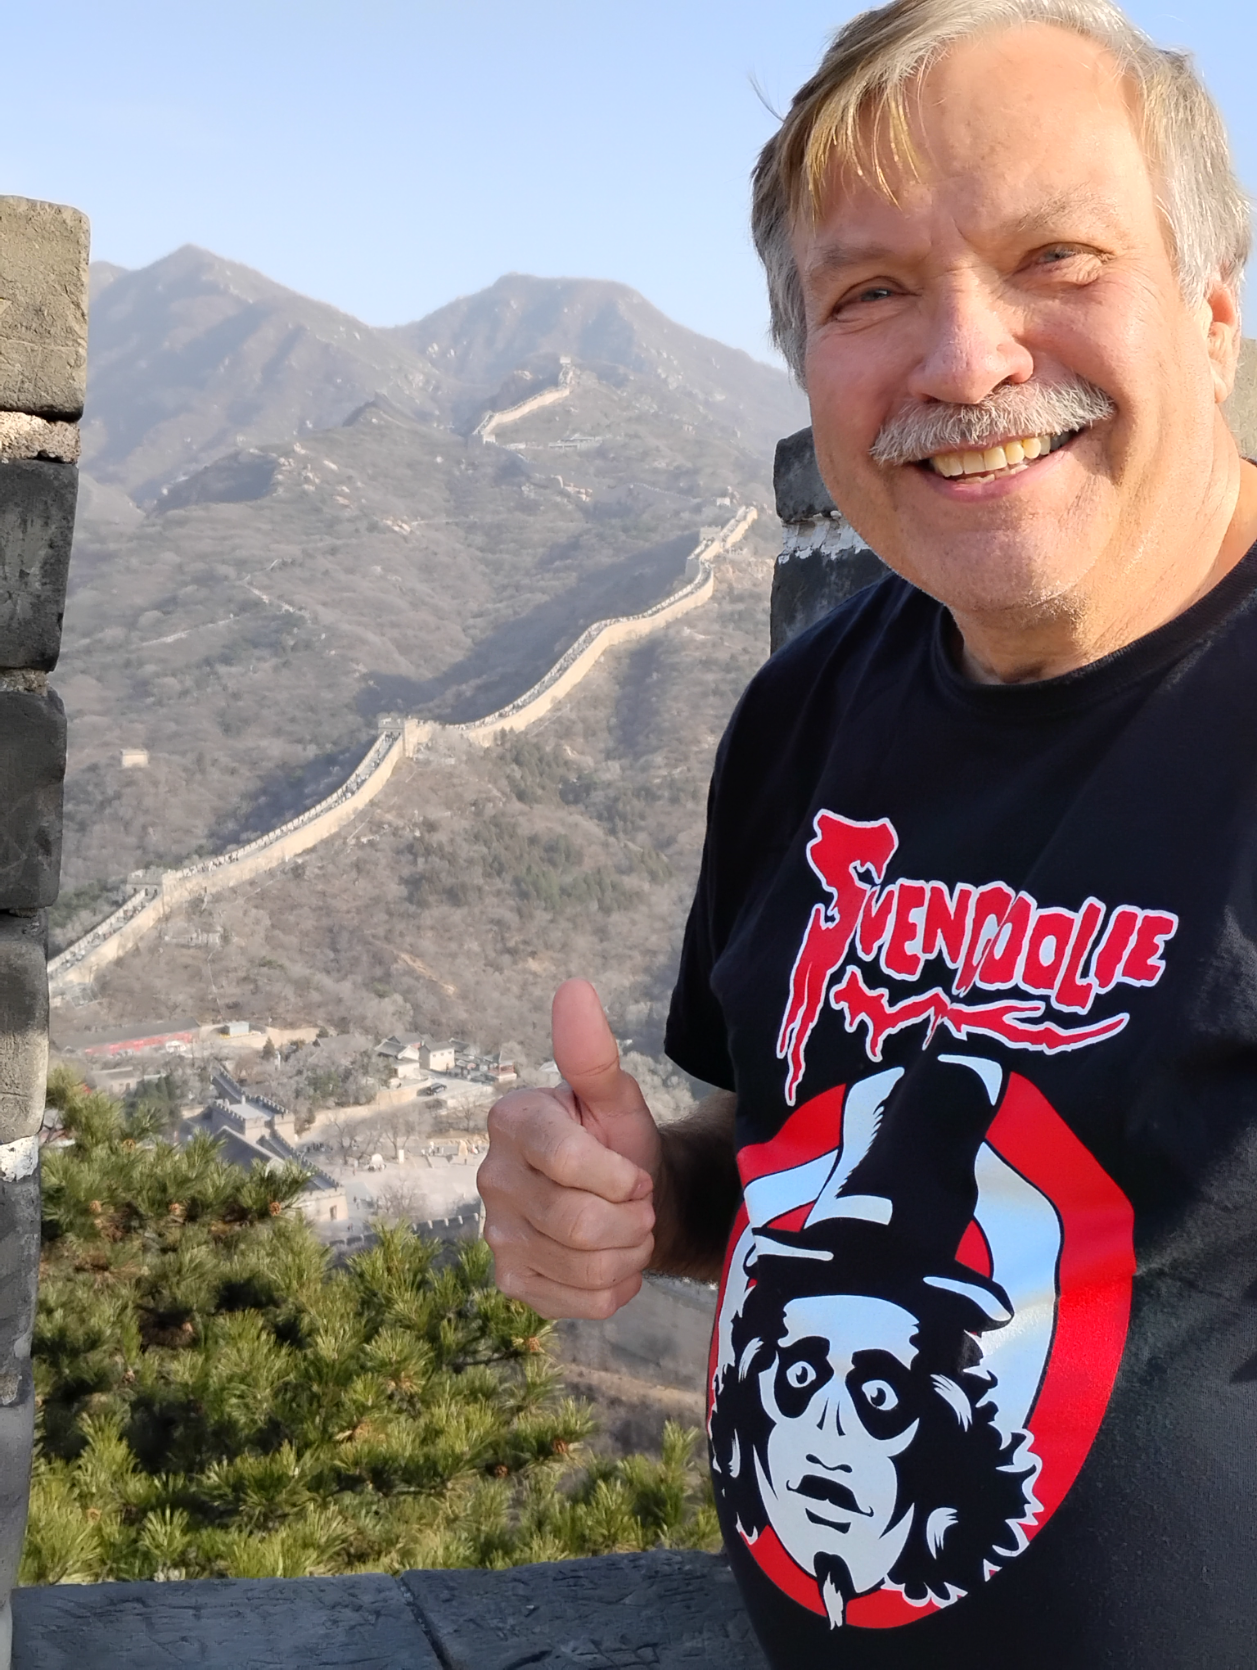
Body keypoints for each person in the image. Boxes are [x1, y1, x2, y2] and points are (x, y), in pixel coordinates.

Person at [477, 0, 1257, 1663]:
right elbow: (773, 1146)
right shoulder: (809, 711)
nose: (965, 362)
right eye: (872, 293)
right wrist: (647, 1196)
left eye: (1055, 256)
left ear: (1210, 310)